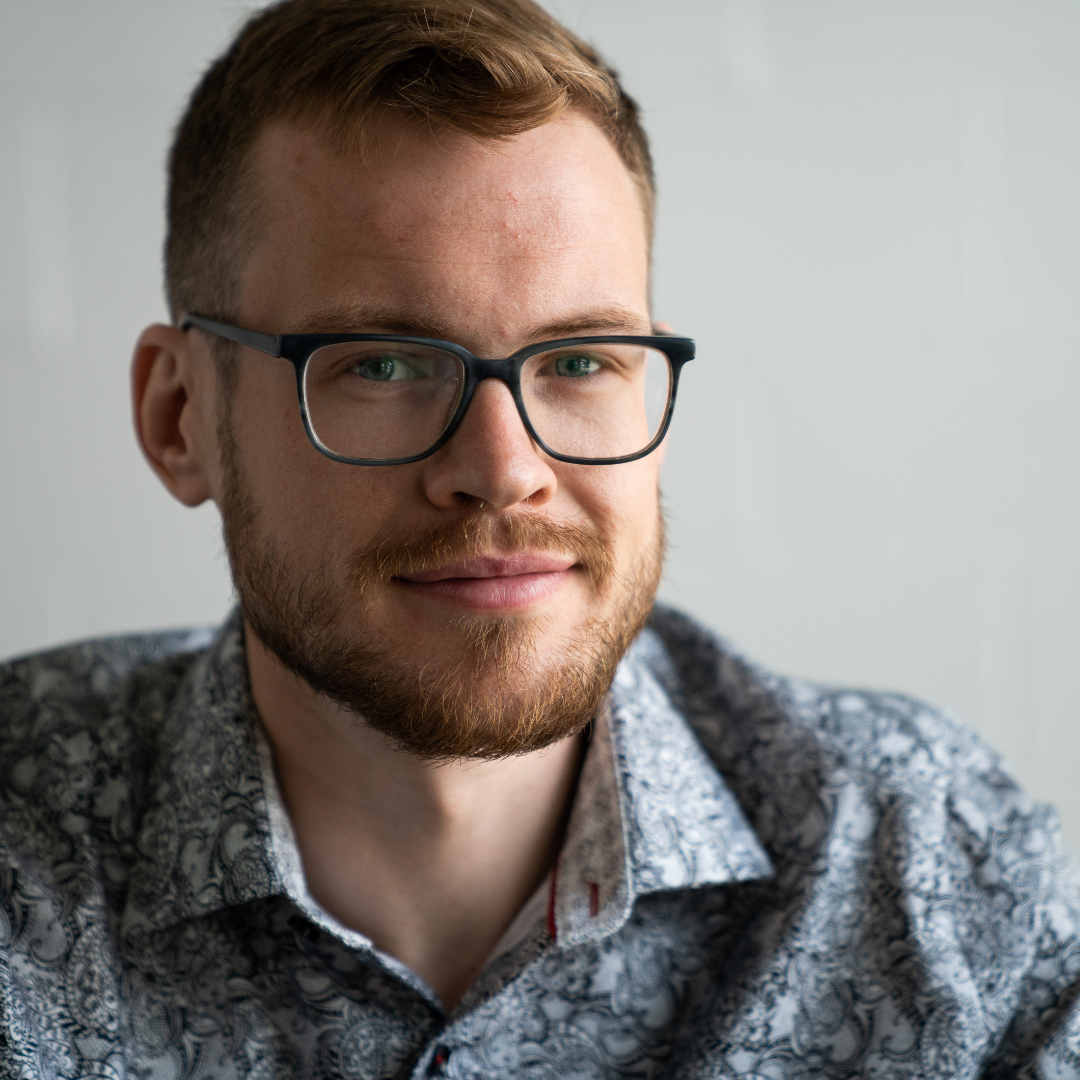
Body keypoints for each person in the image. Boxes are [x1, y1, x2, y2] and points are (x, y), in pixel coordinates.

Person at [2, 1, 1080, 1076]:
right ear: (180, 417)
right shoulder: (23, 856)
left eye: (578, 362)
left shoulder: (931, 868)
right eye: (381, 364)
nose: (503, 469)